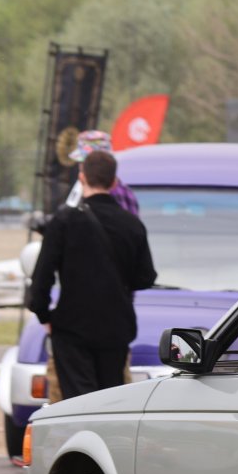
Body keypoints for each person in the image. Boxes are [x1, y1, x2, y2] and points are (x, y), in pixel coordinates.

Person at [29, 149, 156, 401]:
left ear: (82, 176)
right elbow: (145, 277)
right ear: (114, 182)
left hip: (72, 328)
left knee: (79, 402)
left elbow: (41, 277)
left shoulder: (63, 222)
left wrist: (44, 314)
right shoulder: (132, 224)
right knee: (109, 401)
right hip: (116, 328)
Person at [70, 130, 139, 215]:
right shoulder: (80, 187)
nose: (80, 166)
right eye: (80, 162)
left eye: (84, 162)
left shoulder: (118, 193)